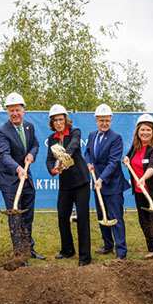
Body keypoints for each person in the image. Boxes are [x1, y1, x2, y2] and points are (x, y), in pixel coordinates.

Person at [0, 92, 45, 261]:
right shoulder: (2, 132)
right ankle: (19, 253)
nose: (15, 113)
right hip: (10, 179)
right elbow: (3, 155)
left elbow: (35, 144)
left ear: (24, 111)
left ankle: (29, 248)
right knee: (15, 216)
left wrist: (31, 154)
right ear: (8, 112)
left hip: (26, 176)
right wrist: (17, 168)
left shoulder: (29, 127)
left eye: (17, 110)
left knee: (28, 213)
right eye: (11, 110)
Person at [46, 104, 91, 266]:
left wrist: (62, 158)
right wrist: (52, 168)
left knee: (82, 218)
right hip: (65, 184)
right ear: (52, 122)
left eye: (61, 119)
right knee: (62, 216)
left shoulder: (75, 132)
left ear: (66, 119)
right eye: (55, 120)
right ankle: (67, 250)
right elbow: (49, 159)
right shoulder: (52, 139)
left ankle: (85, 257)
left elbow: (73, 146)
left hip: (81, 182)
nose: (58, 122)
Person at [85, 103, 129, 259]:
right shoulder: (92, 135)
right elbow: (88, 153)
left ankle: (121, 252)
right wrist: (89, 163)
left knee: (115, 217)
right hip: (97, 184)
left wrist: (102, 178)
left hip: (112, 185)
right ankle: (108, 245)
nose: (104, 123)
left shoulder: (116, 138)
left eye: (107, 120)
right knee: (101, 215)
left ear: (111, 120)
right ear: (96, 120)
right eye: (101, 120)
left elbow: (113, 161)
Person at [123, 114, 153, 259]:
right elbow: (129, 158)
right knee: (144, 222)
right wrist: (126, 159)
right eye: (142, 130)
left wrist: (143, 178)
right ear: (138, 131)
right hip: (139, 191)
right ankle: (152, 249)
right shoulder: (135, 147)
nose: (145, 133)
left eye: (148, 130)